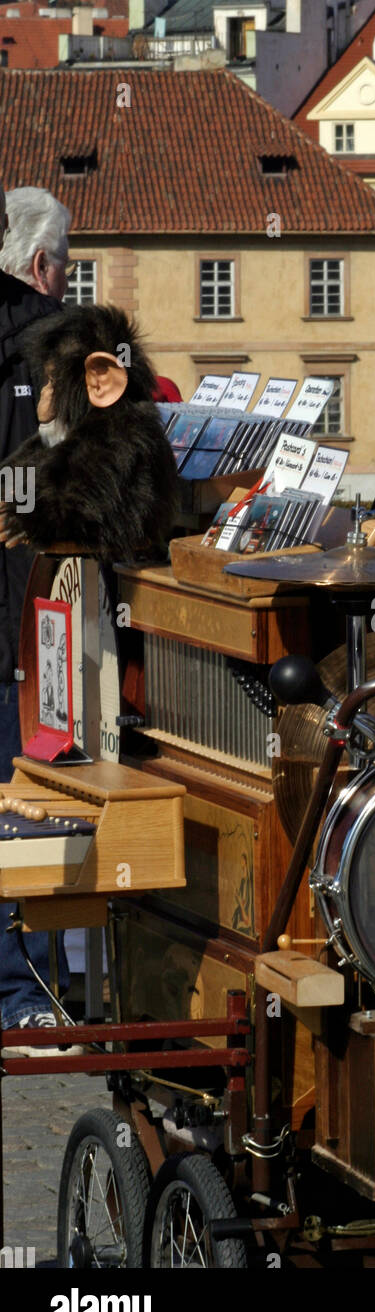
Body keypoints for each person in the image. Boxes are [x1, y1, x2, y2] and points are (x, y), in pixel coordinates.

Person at [0, 185, 75, 1058]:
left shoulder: (48, 339)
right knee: (35, 802)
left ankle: (27, 989)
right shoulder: (52, 337)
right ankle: (31, 992)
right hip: (34, 605)